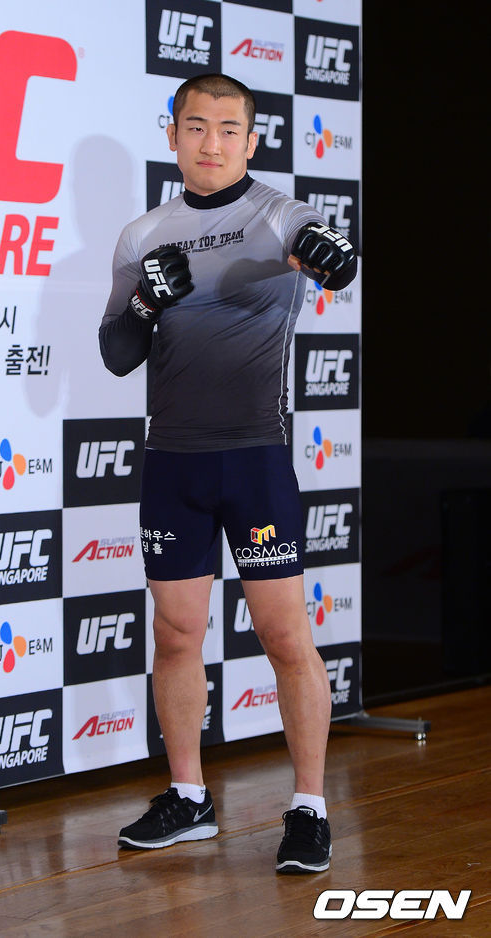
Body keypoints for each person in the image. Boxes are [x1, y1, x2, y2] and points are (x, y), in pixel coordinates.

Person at [99, 73, 357, 874]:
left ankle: (309, 807)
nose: (211, 143)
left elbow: (327, 255)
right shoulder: (143, 234)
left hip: (254, 460)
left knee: (285, 636)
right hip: (172, 461)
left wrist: (330, 256)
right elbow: (116, 354)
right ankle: (189, 797)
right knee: (176, 633)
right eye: (196, 127)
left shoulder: (278, 214)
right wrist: (146, 304)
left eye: (228, 129)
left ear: (251, 140)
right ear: (173, 135)